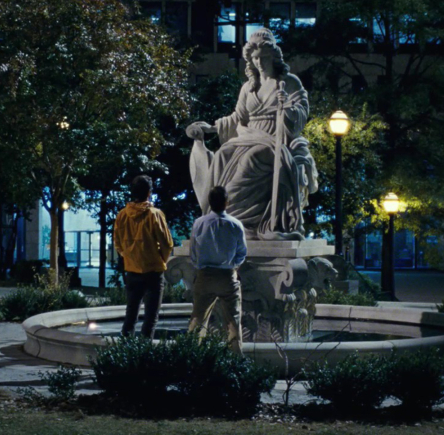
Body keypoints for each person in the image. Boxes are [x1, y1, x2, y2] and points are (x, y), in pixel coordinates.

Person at [186, 28, 317, 241]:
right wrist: (211, 128)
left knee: (252, 157)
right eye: (255, 58)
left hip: (275, 139)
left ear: (273, 56)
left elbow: (302, 114)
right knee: (222, 155)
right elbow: (238, 117)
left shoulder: (289, 82)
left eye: (263, 57)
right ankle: (218, 216)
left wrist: (287, 107)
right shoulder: (248, 87)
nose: (259, 62)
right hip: (248, 136)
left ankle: (237, 218)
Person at [188, 185, 248, 355]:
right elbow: (242, 253)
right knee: (233, 320)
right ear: (227, 202)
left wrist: (200, 267)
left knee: (198, 319)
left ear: (209, 202)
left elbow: (193, 252)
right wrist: (232, 265)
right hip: (227, 276)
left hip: (205, 275)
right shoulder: (235, 224)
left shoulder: (199, 223)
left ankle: (191, 356)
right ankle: (235, 358)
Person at [113, 175, 174, 338]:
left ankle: (125, 349)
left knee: (130, 316)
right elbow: (167, 244)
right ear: (149, 192)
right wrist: (161, 259)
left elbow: (118, 243)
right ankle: (145, 350)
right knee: (151, 318)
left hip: (132, 271)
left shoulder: (122, 215)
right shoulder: (155, 214)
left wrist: (129, 257)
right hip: (153, 271)